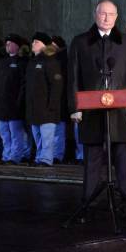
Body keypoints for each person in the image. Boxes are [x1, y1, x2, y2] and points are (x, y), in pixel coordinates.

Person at [68, 0, 126, 220]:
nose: (106, 18)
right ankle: (88, 205)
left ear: (117, 17)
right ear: (95, 15)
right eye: (103, 14)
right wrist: (75, 107)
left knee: (123, 159)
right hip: (91, 111)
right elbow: (74, 77)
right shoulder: (81, 42)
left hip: (121, 111)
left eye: (111, 14)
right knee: (92, 158)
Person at [25, 32, 64, 167]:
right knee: (38, 137)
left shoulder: (50, 61)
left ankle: (46, 159)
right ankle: (39, 157)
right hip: (34, 107)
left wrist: (52, 105)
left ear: (43, 45)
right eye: (33, 41)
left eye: (36, 42)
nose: (33, 44)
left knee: (47, 136)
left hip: (47, 108)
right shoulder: (32, 62)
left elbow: (56, 84)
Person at [0, 34, 29, 164]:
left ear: (17, 46)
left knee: (15, 133)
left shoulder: (22, 62)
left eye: (10, 43)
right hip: (1, 105)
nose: (7, 45)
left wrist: (19, 100)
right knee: (4, 133)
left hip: (14, 105)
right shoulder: (2, 62)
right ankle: (6, 155)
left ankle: (15, 156)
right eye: (6, 43)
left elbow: (23, 84)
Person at [51, 36, 71, 164]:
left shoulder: (62, 61)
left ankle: (58, 155)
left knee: (59, 130)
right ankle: (55, 154)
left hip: (61, 100)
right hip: (56, 100)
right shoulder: (55, 60)